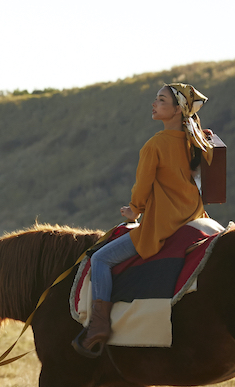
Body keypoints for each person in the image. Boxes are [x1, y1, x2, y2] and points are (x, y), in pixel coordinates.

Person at [72, 82, 213, 358]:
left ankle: (98, 325)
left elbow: (143, 186)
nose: (154, 104)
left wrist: (134, 211)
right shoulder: (195, 141)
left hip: (163, 225)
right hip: (192, 216)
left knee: (100, 259)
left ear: (176, 111)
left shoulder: (155, 145)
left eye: (160, 100)